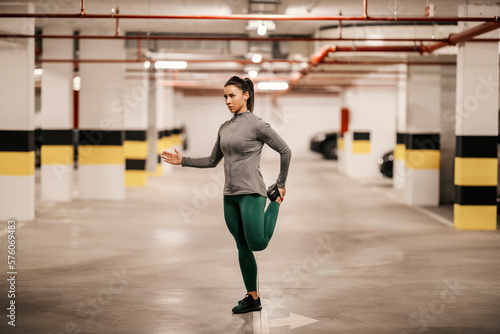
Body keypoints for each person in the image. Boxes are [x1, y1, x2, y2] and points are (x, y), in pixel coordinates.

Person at [161, 76, 292, 314]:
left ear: (246, 95)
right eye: (225, 96)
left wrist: (280, 183)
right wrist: (183, 161)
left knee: (258, 243)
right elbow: (213, 160)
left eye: (232, 95)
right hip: (229, 195)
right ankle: (252, 297)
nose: (227, 101)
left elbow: (285, 150)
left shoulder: (257, 124)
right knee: (242, 245)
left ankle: (276, 201)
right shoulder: (225, 127)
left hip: (252, 192)